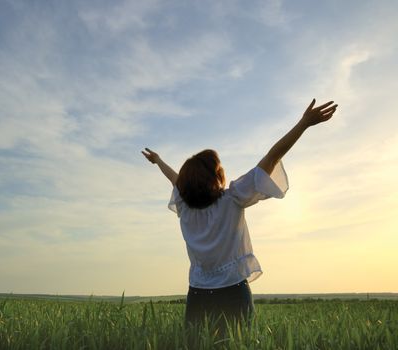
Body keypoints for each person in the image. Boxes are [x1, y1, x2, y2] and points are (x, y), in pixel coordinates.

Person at [142, 99, 338, 331]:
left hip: (198, 292)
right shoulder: (232, 199)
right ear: (216, 176)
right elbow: (271, 157)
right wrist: (303, 124)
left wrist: (159, 162)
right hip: (233, 290)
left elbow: (175, 180)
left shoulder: (185, 206)